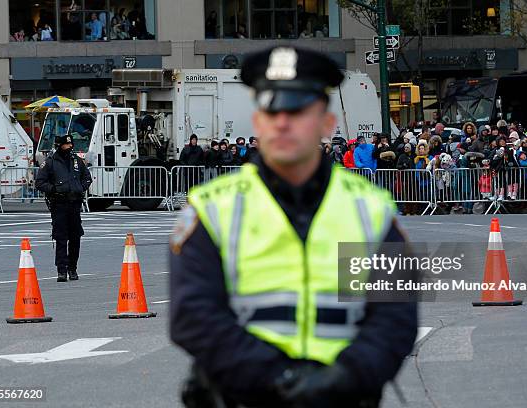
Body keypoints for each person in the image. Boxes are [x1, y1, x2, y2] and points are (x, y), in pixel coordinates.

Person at [169, 46, 417, 408]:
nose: (282, 122)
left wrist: (343, 377)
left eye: (297, 110)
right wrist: (279, 380)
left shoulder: (370, 208)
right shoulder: (213, 208)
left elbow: (394, 316)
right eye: (271, 110)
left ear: (326, 123)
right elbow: (194, 316)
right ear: (257, 122)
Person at [35, 134, 91, 282]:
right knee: (60, 238)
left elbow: (87, 177)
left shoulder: (76, 161)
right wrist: (53, 189)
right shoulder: (50, 162)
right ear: (59, 146)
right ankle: (61, 270)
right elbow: (40, 182)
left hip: (74, 204)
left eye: (70, 144)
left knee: (75, 237)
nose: (69, 147)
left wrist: (80, 187)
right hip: (59, 204)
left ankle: (73, 268)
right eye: (66, 145)